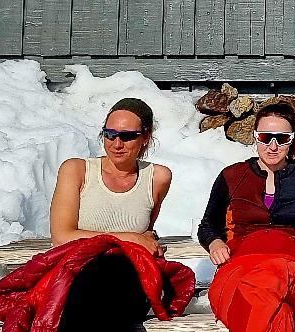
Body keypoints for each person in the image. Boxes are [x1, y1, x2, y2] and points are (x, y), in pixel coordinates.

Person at [31, 97, 186, 331]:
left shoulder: (157, 177)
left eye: (127, 136)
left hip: (130, 273)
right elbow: (62, 236)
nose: (116, 144)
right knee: (95, 284)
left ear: (145, 137)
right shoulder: (77, 170)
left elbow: (145, 230)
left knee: (114, 278)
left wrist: (139, 239)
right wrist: (129, 238)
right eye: (110, 134)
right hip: (78, 268)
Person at [197, 102, 295, 332]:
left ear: (292, 139)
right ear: (256, 136)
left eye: (282, 138)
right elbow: (208, 225)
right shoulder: (232, 176)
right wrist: (215, 241)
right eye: (265, 137)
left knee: (259, 289)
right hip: (237, 267)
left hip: (287, 270)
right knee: (277, 315)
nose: (273, 146)